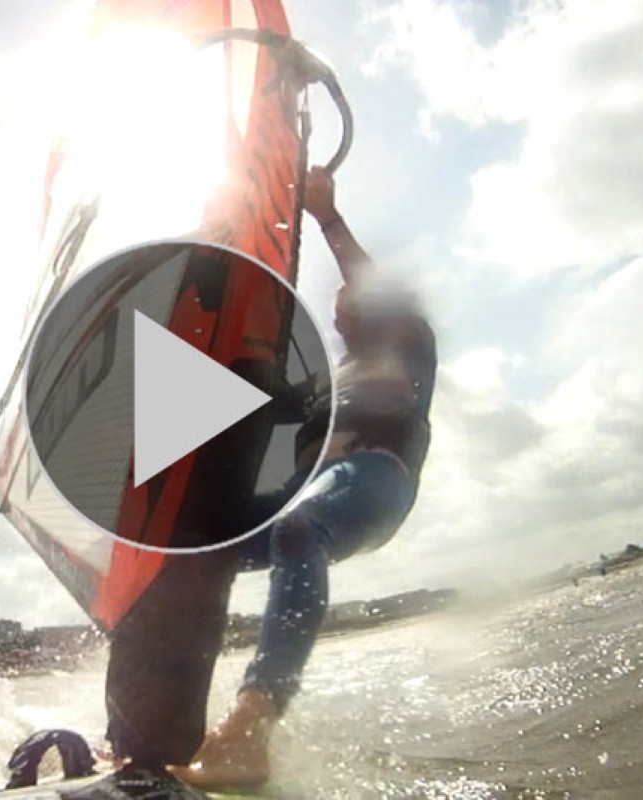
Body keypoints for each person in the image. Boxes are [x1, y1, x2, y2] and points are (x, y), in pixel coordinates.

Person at [170, 166, 439, 789]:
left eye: (353, 298)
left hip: (376, 477)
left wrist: (326, 218)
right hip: (309, 489)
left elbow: (372, 287)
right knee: (191, 558)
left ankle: (250, 728)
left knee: (298, 527)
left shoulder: (408, 343)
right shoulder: (323, 381)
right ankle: (169, 726)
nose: (341, 303)